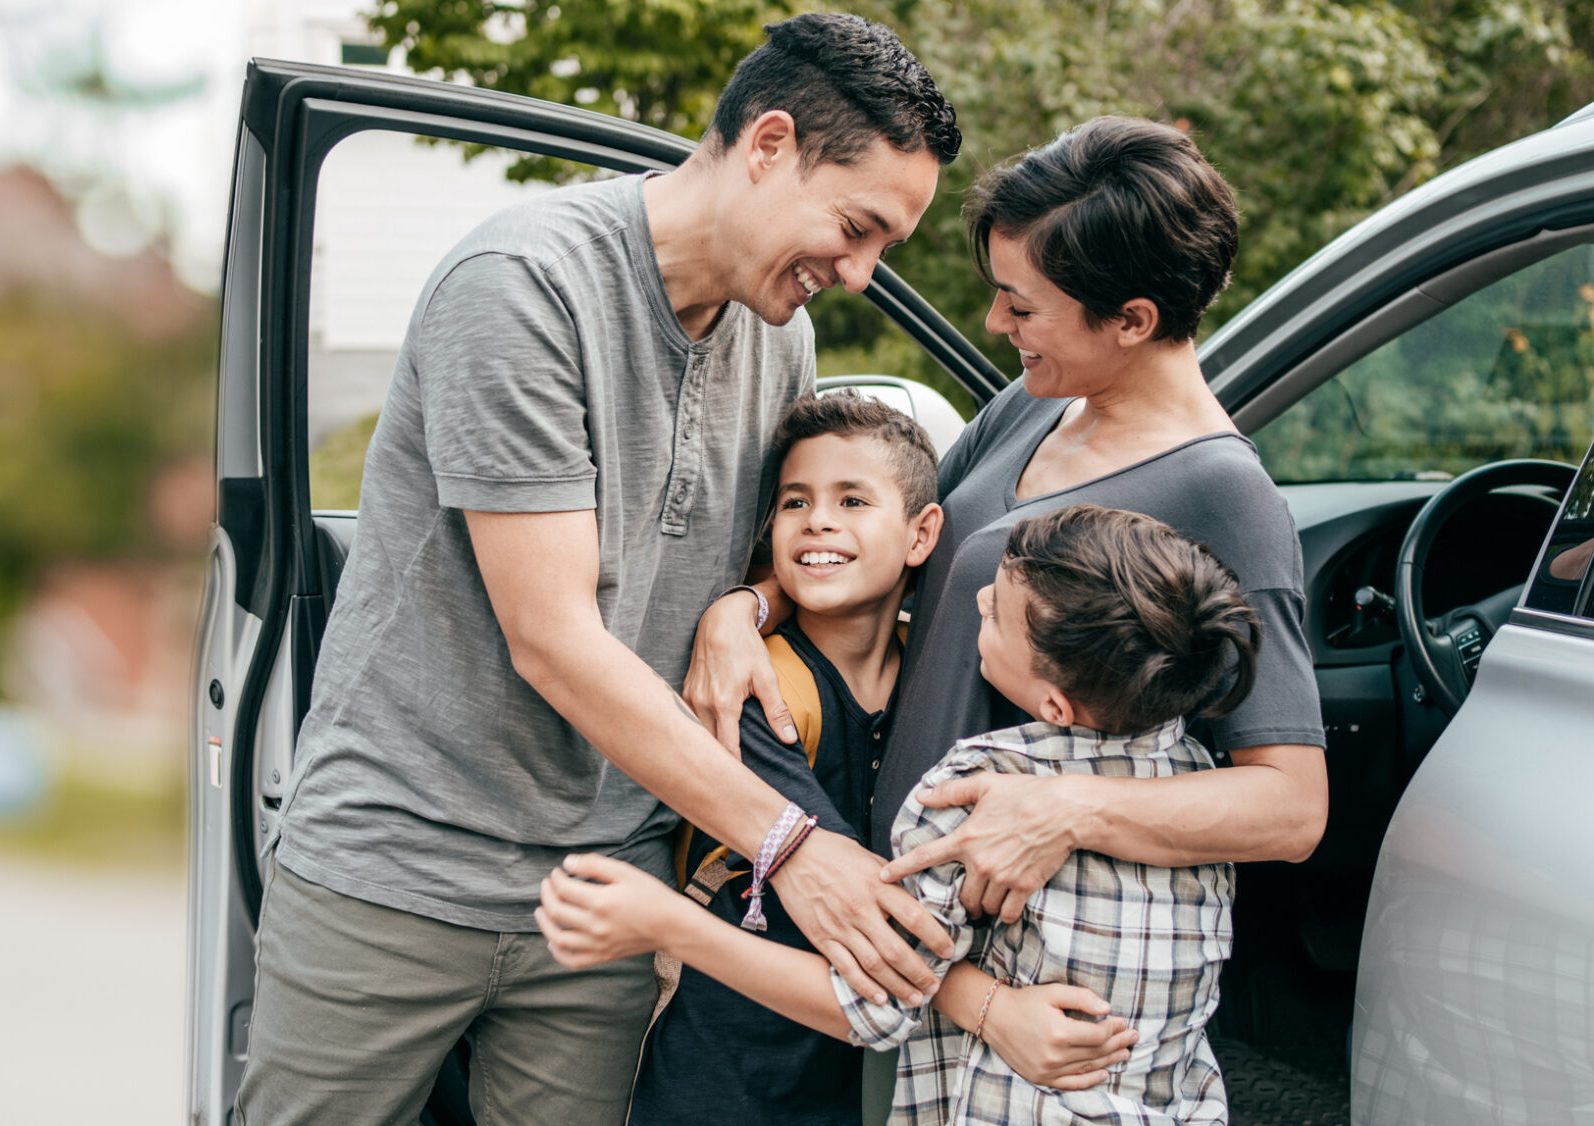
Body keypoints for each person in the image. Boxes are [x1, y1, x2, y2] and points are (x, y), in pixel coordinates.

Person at [232, 14, 963, 1125]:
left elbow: (757, 547)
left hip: (600, 890)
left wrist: (743, 604)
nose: (860, 273)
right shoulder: (522, 287)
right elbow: (555, 640)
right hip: (396, 867)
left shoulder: (780, 336)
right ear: (768, 145)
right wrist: (790, 848)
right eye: (857, 227)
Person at [682, 116, 1328, 1091]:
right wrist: (746, 608)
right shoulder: (1034, 401)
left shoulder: (1223, 498)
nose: (995, 325)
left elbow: (1288, 803)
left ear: (1133, 320)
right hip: (883, 921)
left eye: (1020, 305)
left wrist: (1062, 806)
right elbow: (889, 550)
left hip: (1029, 980)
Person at [542, 503, 1265, 1126]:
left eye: (999, 614)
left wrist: (667, 924)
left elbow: (865, 1006)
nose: (978, 599)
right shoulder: (1197, 786)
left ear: (1053, 706)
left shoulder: (975, 791)